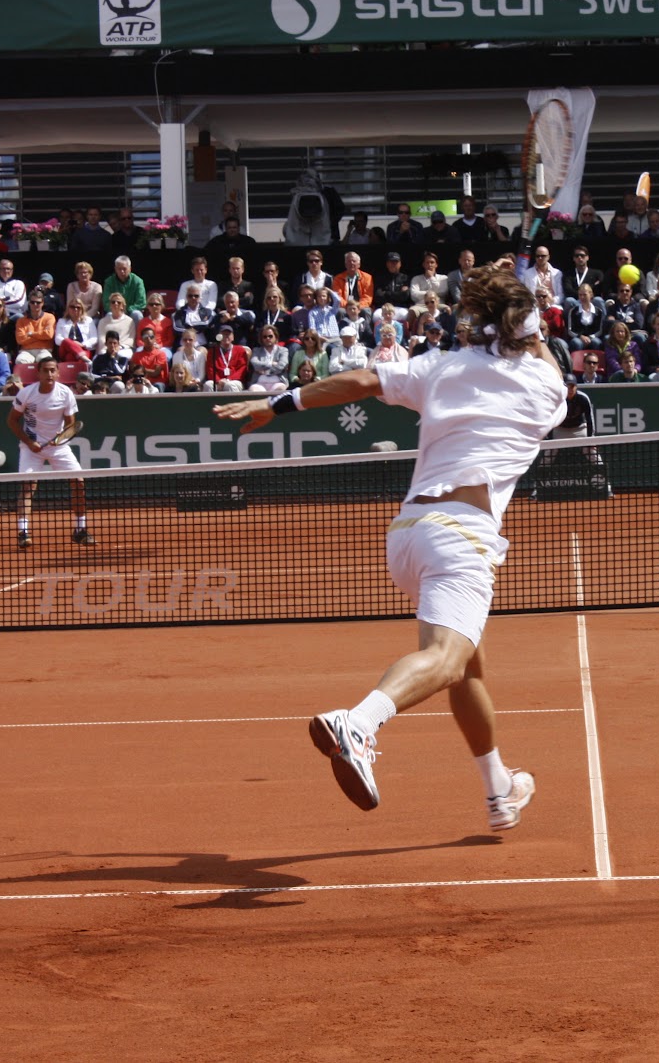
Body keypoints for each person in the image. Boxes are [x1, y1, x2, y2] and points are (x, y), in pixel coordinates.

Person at [213, 261, 562, 829]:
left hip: (407, 538)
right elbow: (547, 363)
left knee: (465, 666)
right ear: (528, 328)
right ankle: (360, 722)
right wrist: (532, 323)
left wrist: (276, 405)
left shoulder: (439, 365)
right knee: (448, 660)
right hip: (462, 536)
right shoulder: (545, 386)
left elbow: (362, 381)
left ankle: (499, 788)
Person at [7, 354, 93, 549]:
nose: (49, 374)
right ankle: (23, 532)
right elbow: (11, 421)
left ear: (58, 372)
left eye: (53, 370)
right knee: (28, 487)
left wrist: (60, 438)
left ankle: (80, 530)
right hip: (32, 448)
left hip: (59, 448)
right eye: (45, 370)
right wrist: (29, 442)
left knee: (79, 482)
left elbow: (71, 425)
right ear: (38, 373)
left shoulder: (66, 394)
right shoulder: (26, 394)